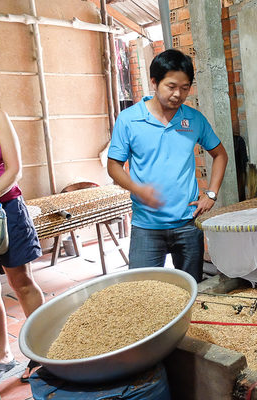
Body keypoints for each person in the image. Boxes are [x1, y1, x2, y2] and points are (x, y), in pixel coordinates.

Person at [107, 49, 228, 282]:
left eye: (185, 88)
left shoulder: (193, 119)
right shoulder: (129, 120)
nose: (178, 94)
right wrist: (138, 189)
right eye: (171, 86)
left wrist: (211, 194)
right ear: (154, 81)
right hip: (146, 227)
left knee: (190, 288)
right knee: (142, 292)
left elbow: (220, 154)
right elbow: (113, 166)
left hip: (188, 224)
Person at [0, 97, 44, 382]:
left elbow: (15, 169)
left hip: (6, 209)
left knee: (22, 282)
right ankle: (3, 353)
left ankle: (43, 351)